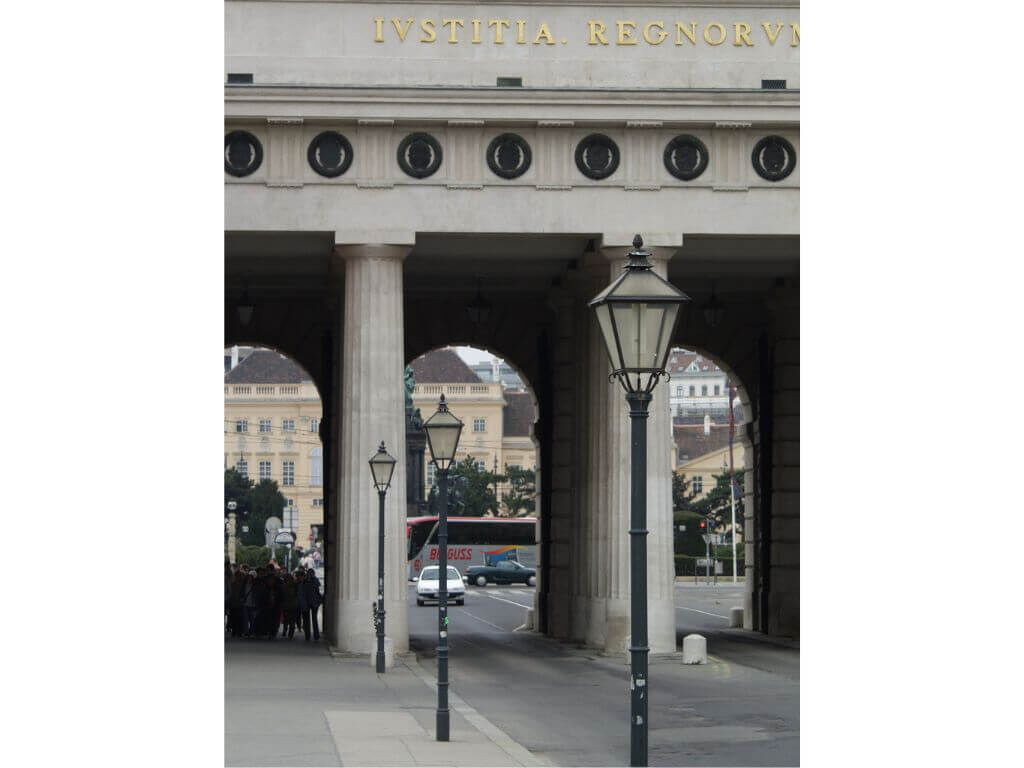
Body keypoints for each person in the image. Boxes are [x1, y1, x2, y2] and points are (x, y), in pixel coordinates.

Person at [298, 567, 321, 642]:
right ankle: (308, 636)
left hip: (313, 602)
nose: (310, 575)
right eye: (309, 573)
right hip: (307, 602)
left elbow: (317, 588)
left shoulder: (315, 581)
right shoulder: (304, 581)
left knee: (314, 619)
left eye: (311, 574)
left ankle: (315, 636)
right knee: (306, 620)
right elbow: (301, 592)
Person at [279, 572, 299, 639]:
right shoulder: (285, 586)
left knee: (290, 621)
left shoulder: (293, 586)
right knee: (288, 620)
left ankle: (289, 633)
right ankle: (287, 632)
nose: (288, 581)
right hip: (289, 605)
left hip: (291, 605)